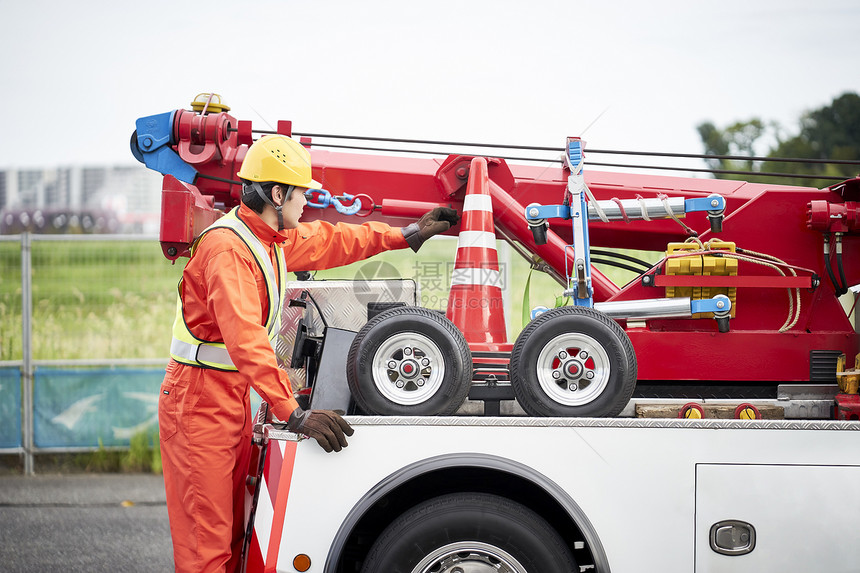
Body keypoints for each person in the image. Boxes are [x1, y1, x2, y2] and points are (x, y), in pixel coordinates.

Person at [158, 134, 458, 573]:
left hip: (228, 397)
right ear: (277, 194)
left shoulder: (269, 240)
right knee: (208, 545)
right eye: (301, 194)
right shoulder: (228, 250)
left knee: (236, 532)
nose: (306, 203)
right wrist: (292, 413)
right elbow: (246, 340)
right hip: (199, 403)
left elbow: (336, 240)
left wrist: (406, 235)